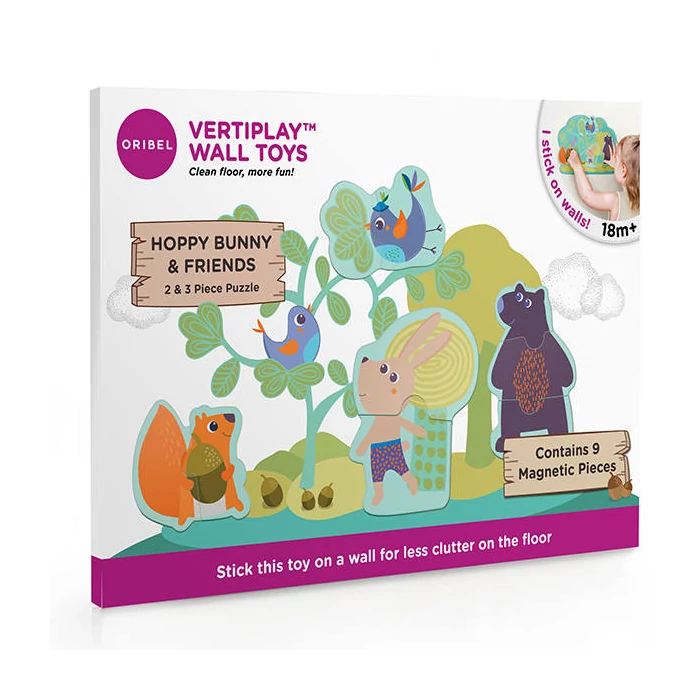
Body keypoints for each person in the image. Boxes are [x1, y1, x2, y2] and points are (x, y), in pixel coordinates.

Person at [568, 134, 640, 220]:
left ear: (623, 171)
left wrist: (577, 166)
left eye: (616, 159)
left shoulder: (615, 201)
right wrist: (617, 166)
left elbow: (588, 196)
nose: (614, 159)